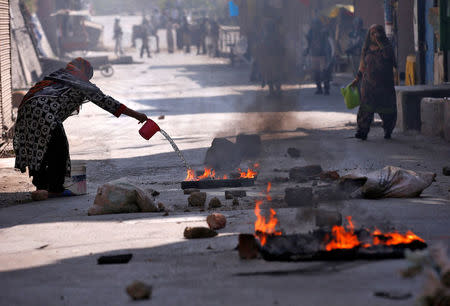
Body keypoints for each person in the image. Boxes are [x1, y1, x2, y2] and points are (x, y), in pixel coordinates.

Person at [13, 58, 148, 200]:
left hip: (25, 109)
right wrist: (136, 115)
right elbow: (108, 102)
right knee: (59, 149)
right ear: (85, 73)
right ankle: (55, 188)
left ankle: (41, 186)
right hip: (44, 113)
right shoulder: (81, 83)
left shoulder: (58, 75)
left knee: (38, 148)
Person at [350, 24, 397, 140]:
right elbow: (362, 66)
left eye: (378, 33)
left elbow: (389, 58)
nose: (375, 36)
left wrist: (380, 42)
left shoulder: (387, 47)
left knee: (388, 111)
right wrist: (357, 78)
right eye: (372, 34)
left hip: (385, 85)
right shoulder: (366, 49)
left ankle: (388, 130)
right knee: (365, 109)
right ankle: (362, 131)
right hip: (369, 85)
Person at [304, 18, 335, 95]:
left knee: (324, 72)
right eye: (314, 24)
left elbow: (328, 44)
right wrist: (307, 51)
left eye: (316, 24)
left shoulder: (324, 32)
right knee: (316, 72)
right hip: (315, 55)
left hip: (323, 55)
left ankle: (326, 88)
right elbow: (309, 43)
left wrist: (329, 56)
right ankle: (319, 88)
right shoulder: (311, 32)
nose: (315, 26)